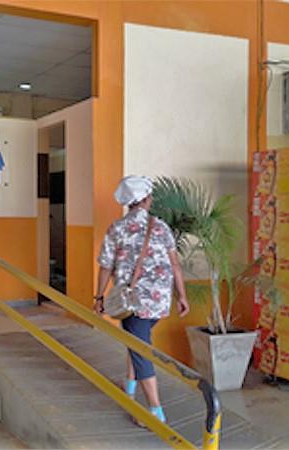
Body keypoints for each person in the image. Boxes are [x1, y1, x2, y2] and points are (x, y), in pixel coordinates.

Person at [93, 175, 189, 425]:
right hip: (159, 302)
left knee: (140, 349)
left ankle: (155, 412)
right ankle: (130, 387)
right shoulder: (161, 227)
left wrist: (99, 296)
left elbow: (105, 266)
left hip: (132, 302)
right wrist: (182, 296)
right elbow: (175, 264)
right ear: (145, 199)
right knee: (138, 341)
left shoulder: (116, 228)